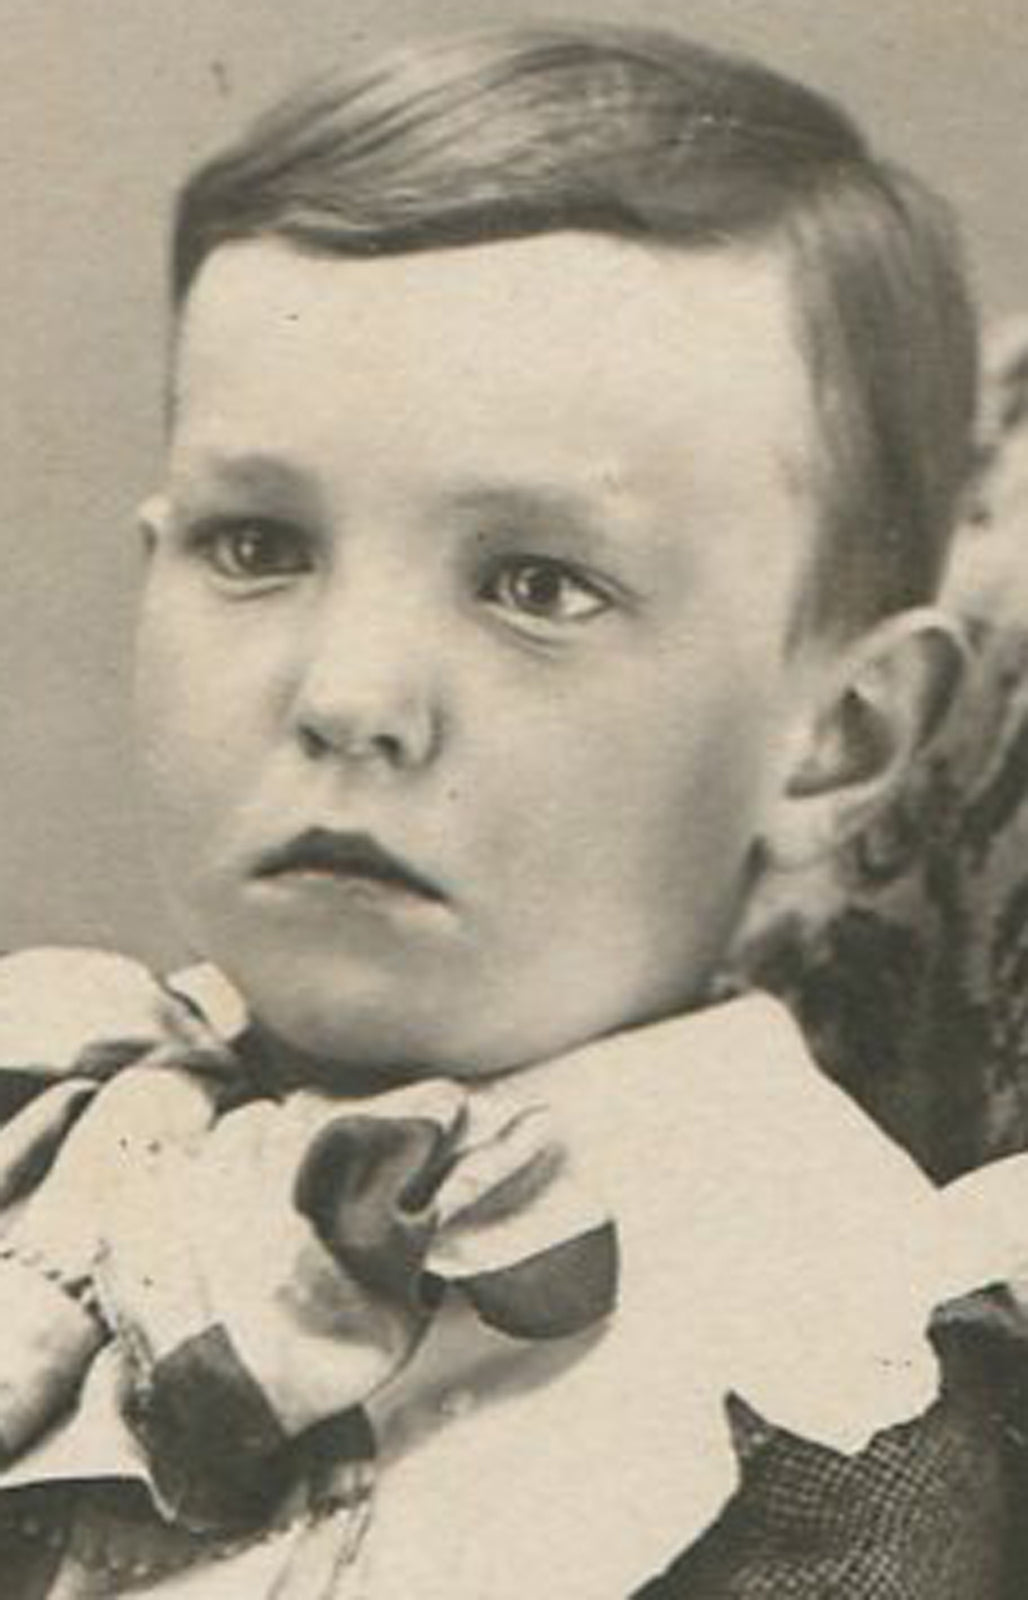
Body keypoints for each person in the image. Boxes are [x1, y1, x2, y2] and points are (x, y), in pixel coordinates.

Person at [0, 21, 1023, 1598]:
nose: (347, 695)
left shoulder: (820, 1375)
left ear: (838, 739)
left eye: (538, 584)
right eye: (258, 545)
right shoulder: (59, 1136)